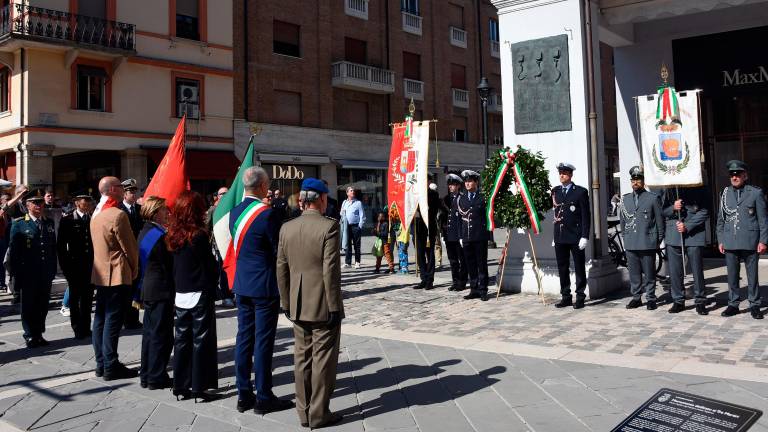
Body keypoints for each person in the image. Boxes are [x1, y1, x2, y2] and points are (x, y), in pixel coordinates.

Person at [277, 178, 344, 429]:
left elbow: (280, 269)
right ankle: (319, 413)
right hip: (323, 303)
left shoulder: (287, 227)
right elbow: (330, 271)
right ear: (322, 199)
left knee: (302, 358)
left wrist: (285, 301)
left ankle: (303, 412)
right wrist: (335, 305)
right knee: (323, 360)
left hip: (296, 303)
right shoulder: (329, 227)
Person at [231, 167, 293, 414]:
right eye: (267, 184)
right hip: (263, 286)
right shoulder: (266, 215)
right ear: (260, 187)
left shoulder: (235, 211)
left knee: (243, 338)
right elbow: (277, 249)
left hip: (242, 283)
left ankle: (243, 393)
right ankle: (264, 396)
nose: (269, 188)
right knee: (263, 342)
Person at [165, 191, 219, 401]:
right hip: (199, 290)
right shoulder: (198, 235)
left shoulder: (171, 234)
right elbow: (209, 265)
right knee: (200, 340)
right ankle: (199, 387)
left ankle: (181, 385)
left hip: (181, 291)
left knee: (182, 340)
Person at [90, 176, 139, 380]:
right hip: (117, 273)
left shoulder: (97, 214)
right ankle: (111, 364)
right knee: (112, 321)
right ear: (111, 189)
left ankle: (101, 362)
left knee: (100, 319)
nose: (122, 188)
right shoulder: (117, 215)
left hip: (100, 273)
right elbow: (130, 248)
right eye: (120, 186)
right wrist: (135, 269)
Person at [716, 160, 767, 319]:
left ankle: (754, 305)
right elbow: (721, 220)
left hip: (750, 240)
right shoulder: (724, 194)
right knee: (732, 275)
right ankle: (733, 304)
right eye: (732, 174)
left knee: (752, 276)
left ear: (745, 175)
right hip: (730, 240)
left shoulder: (755, 193)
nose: (735, 177)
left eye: (738, 174)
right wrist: (720, 239)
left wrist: (763, 241)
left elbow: (763, 220)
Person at [9, 189, 57, 348]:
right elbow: (14, 252)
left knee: (43, 305)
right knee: (28, 305)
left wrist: (52, 270)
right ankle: (29, 335)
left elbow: (52, 248)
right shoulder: (19, 224)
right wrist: (16, 275)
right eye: (35, 203)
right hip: (28, 273)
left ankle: (39, 333)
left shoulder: (48, 222)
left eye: (40, 202)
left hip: (45, 272)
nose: (39, 205)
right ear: (27, 205)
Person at [138, 196, 175, 390]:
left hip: (151, 289)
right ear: (154, 212)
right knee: (161, 336)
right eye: (163, 210)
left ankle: (147, 374)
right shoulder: (157, 235)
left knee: (150, 335)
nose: (167, 213)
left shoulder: (146, 231)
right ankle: (156, 376)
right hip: (160, 289)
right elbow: (167, 263)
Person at [662, 186, 710, 315]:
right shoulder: (670, 188)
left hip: (694, 234)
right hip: (673, 232)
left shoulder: (698, 186)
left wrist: (688, 226)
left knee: (697, 270)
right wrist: (673, 207)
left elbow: (705, 211)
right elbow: (663, 211)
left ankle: (700, 301)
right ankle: (678, 300)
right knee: (675, 270)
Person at [621, 166, 663, 311]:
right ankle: (636, 297)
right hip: (631, 242)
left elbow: (659, 222)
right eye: (633, 180)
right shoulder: (625, 200)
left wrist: (657, 240)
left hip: (647, 242)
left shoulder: (652, 199)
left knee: (649, 273)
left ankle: (651, 298)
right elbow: (623, 222)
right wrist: (626, 239)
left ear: (643, 181)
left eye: (638, 179)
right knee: (634, 273)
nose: (635, 182)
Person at [551, 163, 591, 309]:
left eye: (565, 173)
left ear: (571, 175)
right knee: (562, 267)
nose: (562, 175)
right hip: (560, 236)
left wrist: (584, 236)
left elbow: (586, 216)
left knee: (579, 267)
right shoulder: (555, 191)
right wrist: (554, 236)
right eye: (560, 173)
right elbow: (556, 214)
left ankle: (580, 296)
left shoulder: (580, 192)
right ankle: (566, 296)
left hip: (575, 236)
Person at [57, 191, 95, 339]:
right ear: (77, 203)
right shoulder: (67, 220)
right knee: (74, 299)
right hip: (74, 266)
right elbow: (61, 247)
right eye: (84, 201)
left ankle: (86, 327)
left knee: (87, 299)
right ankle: (77, 327)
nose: (88, 204)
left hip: (90, 266)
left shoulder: (92, 219)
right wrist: (66, 268)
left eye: (89, 201)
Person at [458, 170, 489, 301]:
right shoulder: (462, 198)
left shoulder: (483, 197)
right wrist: (461, 236)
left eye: (470, 181)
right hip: (467, 236)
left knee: (481, 264)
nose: (467, 184)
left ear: (476, 182)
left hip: (479, 236)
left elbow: (488, 216)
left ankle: (483, 290)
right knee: (470, 264)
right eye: (466, 181)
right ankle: (474, 289)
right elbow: (460, 219)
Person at [118, 178, 143, 330]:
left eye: (135, 192)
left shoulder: (139, 209)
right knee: (126, 288)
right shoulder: (119, 209)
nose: (133, 195)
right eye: (130, 192)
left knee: (135, 287)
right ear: (124, 194)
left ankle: (134, 318)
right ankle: (126, 318)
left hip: (138, 252)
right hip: (125, 254)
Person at [207, 186, 234, 308]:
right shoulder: (213, 210)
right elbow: (206, 228)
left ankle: (232, 294)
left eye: (226, 193)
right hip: (219, 246)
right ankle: (226, 296)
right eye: (222, 193)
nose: (224, 195)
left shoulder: (234, 208)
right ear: (218, 196)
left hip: (233, 244)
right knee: (222, 271)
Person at [413, 179, 441, 290]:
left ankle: (430, 279)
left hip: (429, 227)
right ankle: (423, 278)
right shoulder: (415, 193)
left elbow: (433, 209)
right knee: (419, 254)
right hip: (418, 227)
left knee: (429, 254)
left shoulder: (433, 193)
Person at [441, 173, 467, 291]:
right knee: (452, 260)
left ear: (458, 186)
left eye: (453, 185)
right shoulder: (447, 199)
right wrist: (443, 232)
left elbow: (463, 218)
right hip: (449, 234)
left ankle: (462, 282)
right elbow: (444, 216)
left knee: (462, 259)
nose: (450, 187)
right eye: (449, 185)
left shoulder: (462, 198)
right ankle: (455, 281)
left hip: (458, 235)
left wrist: (462, 235)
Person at [341, 187, 365, 269]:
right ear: (347, 193)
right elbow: (341, 213)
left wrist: (360, 226)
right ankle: (348, 262)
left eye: (353, 190)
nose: (353, 192)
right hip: (346, 226)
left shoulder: (358, 203)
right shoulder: (344, 202)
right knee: (347, 245)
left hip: (355, 226)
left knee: (357, 245)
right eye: (351, 191)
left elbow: (362, 216)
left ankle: (357, 262)